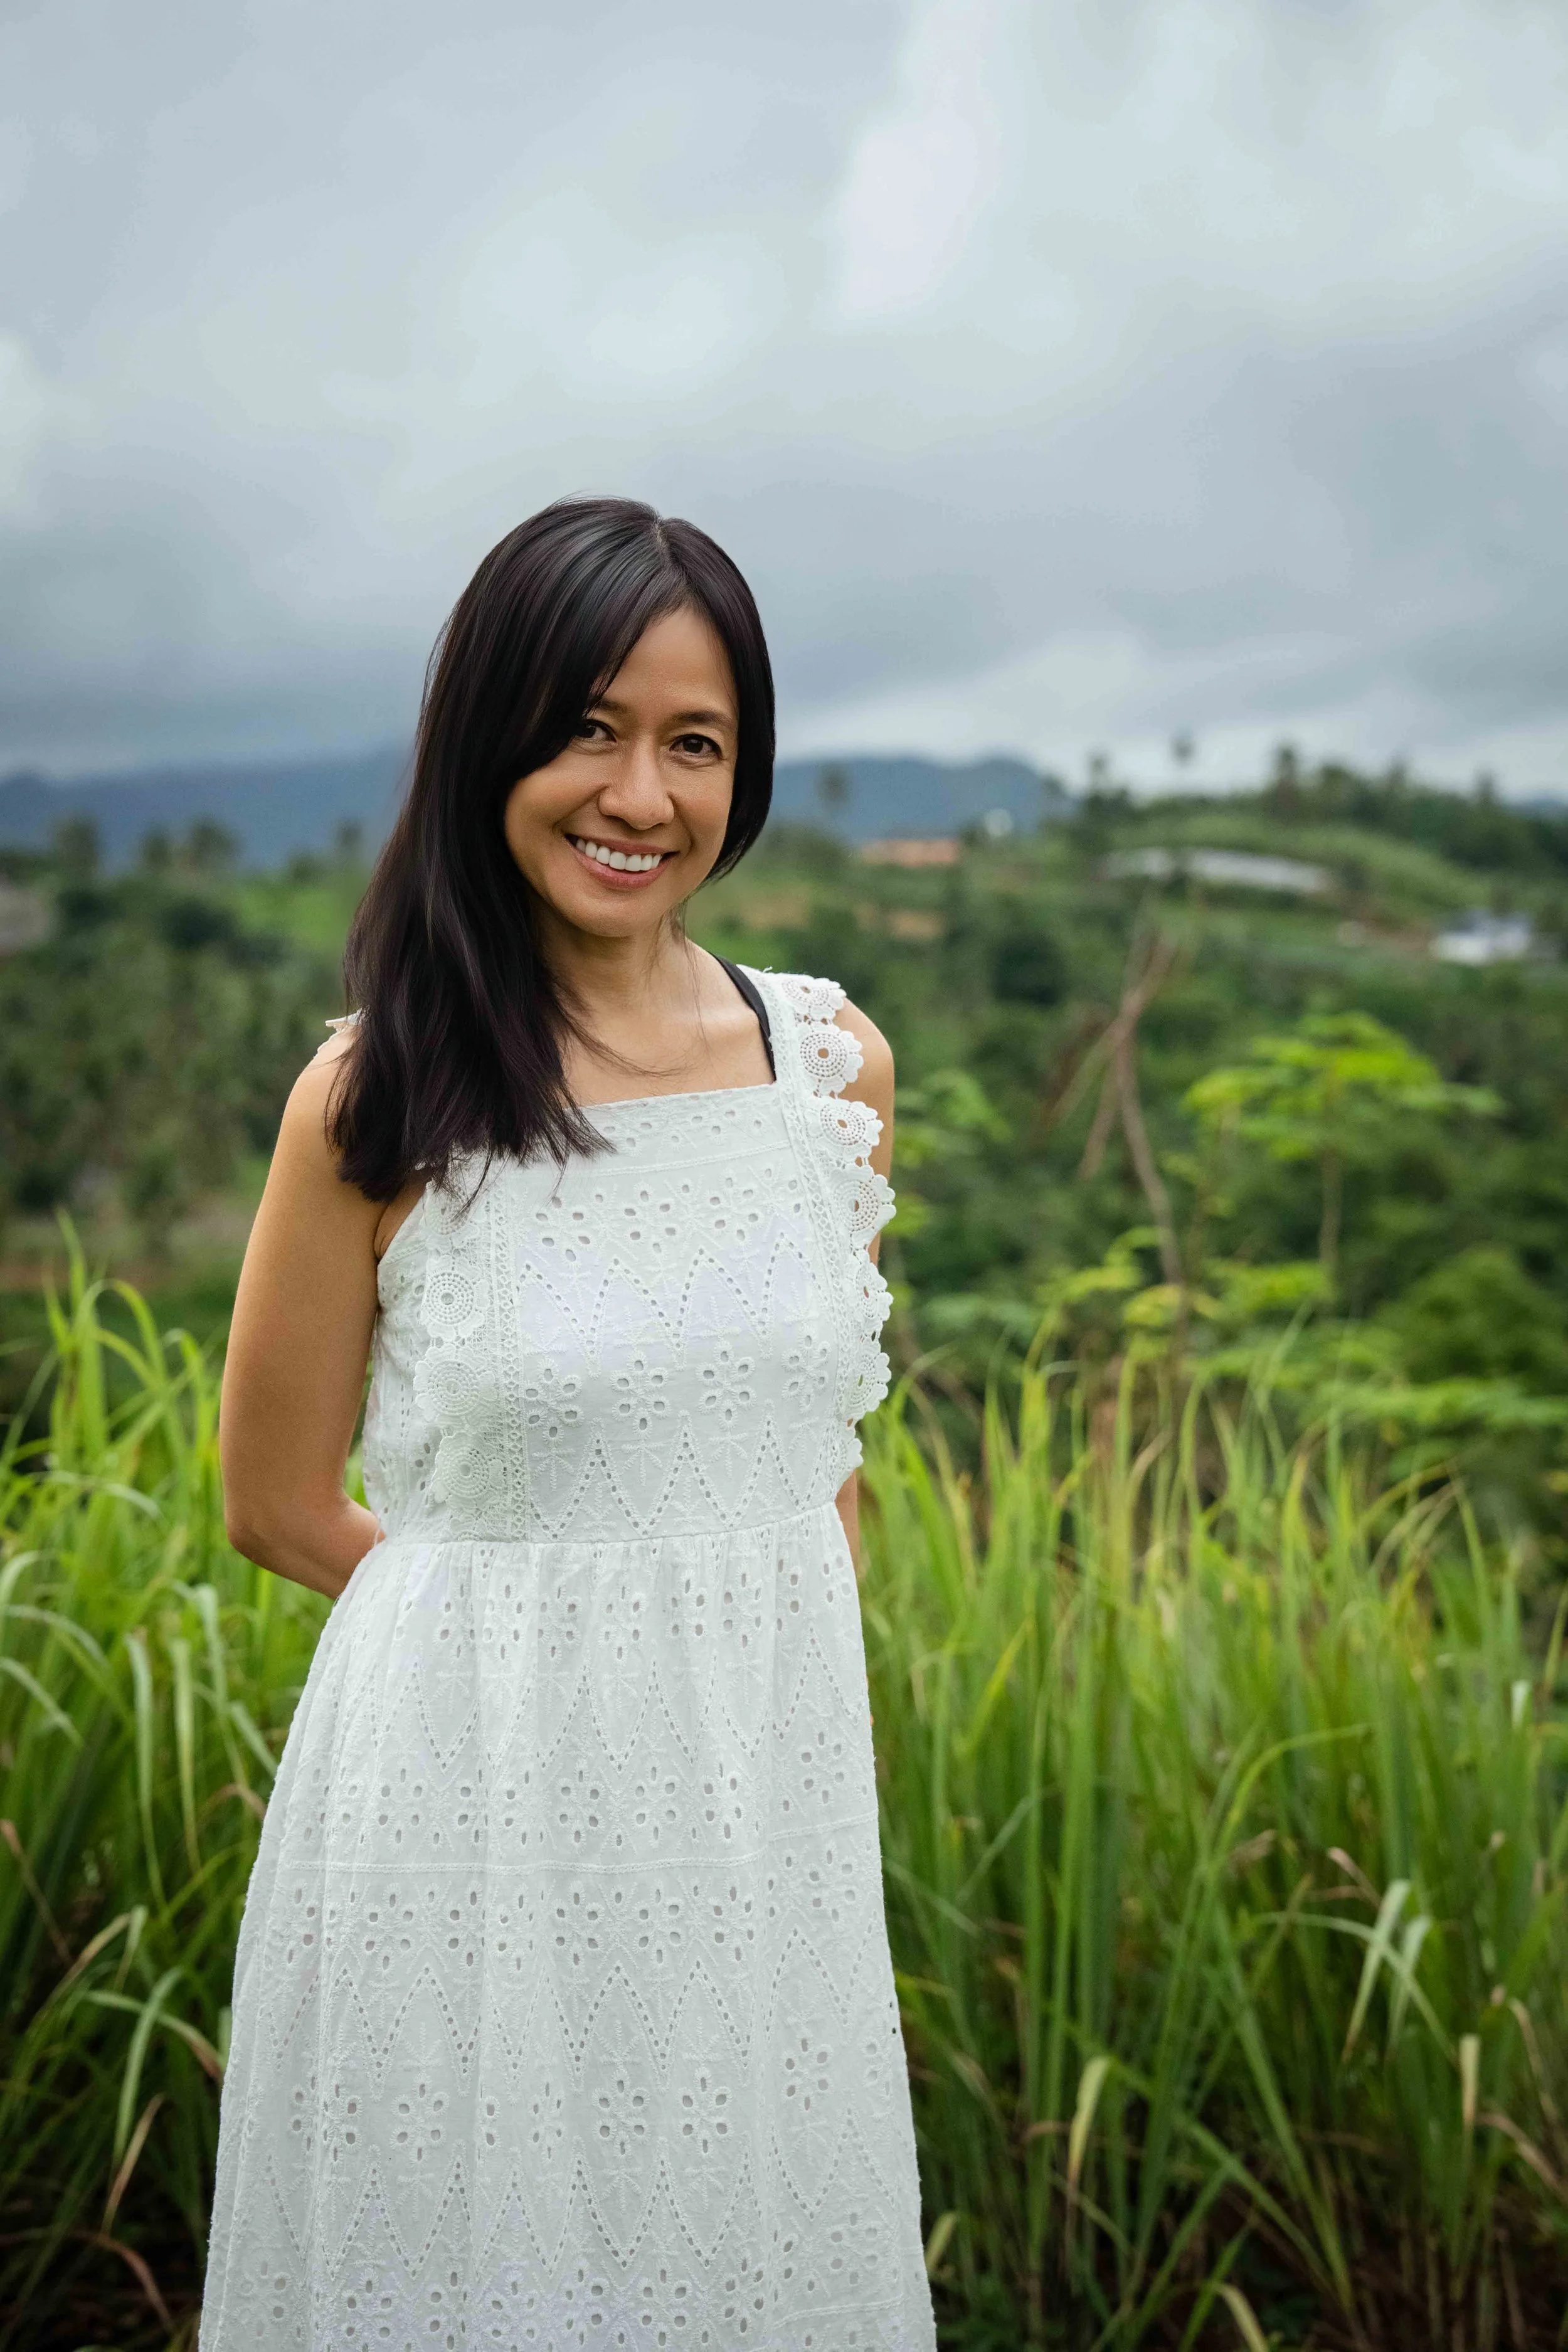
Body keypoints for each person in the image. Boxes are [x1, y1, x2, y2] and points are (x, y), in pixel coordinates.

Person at [201, 496, 938, 2349]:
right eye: (587, 726)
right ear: (490, 740)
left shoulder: (828, 1069)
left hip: (757, 1808)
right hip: (466, 1814)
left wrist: (728, 1690)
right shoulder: (376, 1098)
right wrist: (528, 1672)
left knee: (738, 2252)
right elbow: (276, 1502)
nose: (639, 792)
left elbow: (814, 1463)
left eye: (694, 742)